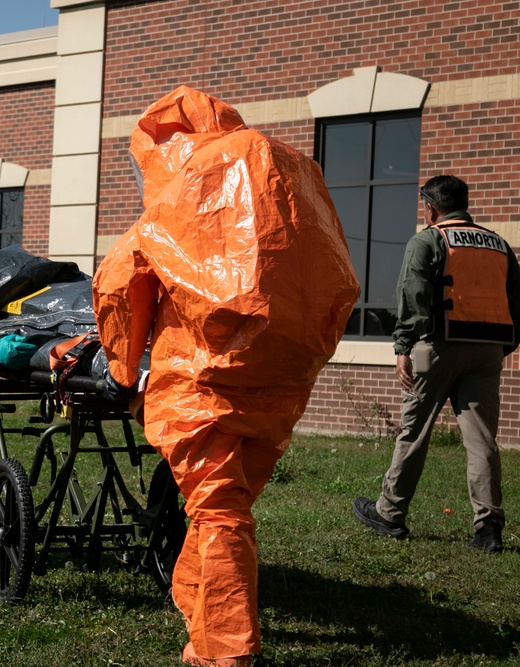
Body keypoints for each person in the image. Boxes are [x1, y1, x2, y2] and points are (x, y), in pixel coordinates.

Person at [92, 86, 359, 666]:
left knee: (218, 510)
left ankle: (224, 651)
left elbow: (123, 281)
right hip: (284, 376)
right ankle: (195, 605)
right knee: (227, 502)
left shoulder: (187, 176)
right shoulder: (293, 167)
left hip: (201, 372)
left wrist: (122, 364)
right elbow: (337, 272)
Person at [353, 175, 520, 555]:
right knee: (482, 442)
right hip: (488, 351)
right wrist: (505, 345)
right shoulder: (499, 245)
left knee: (414, 432)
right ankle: (489, 527)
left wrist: (403, 346)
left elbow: (413, 296)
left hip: (438, 348)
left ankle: (390, 513)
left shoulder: (428, 240)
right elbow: (516, 300)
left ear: (431, 206)